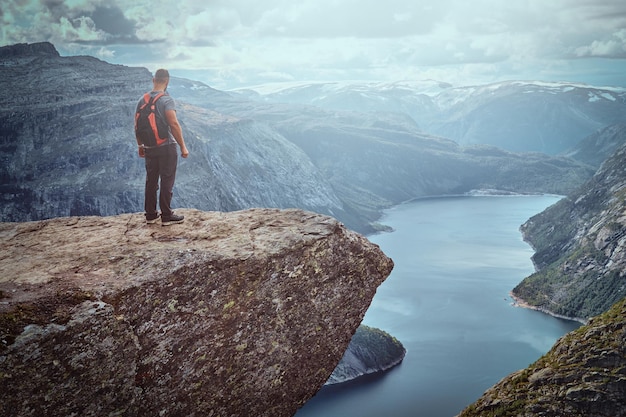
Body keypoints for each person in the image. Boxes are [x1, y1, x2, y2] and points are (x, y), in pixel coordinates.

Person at [135, 68, 189, 225]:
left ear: (154, 80)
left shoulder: (141, 100)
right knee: (167, 179)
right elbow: (173, 123)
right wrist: (183, 147)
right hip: (166, 146)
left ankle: (150, 214)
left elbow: (136, 125)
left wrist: (140, 145)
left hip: (149, 147)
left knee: (151, 181)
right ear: (167, 81)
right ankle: (166, 215)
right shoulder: (166, 100)